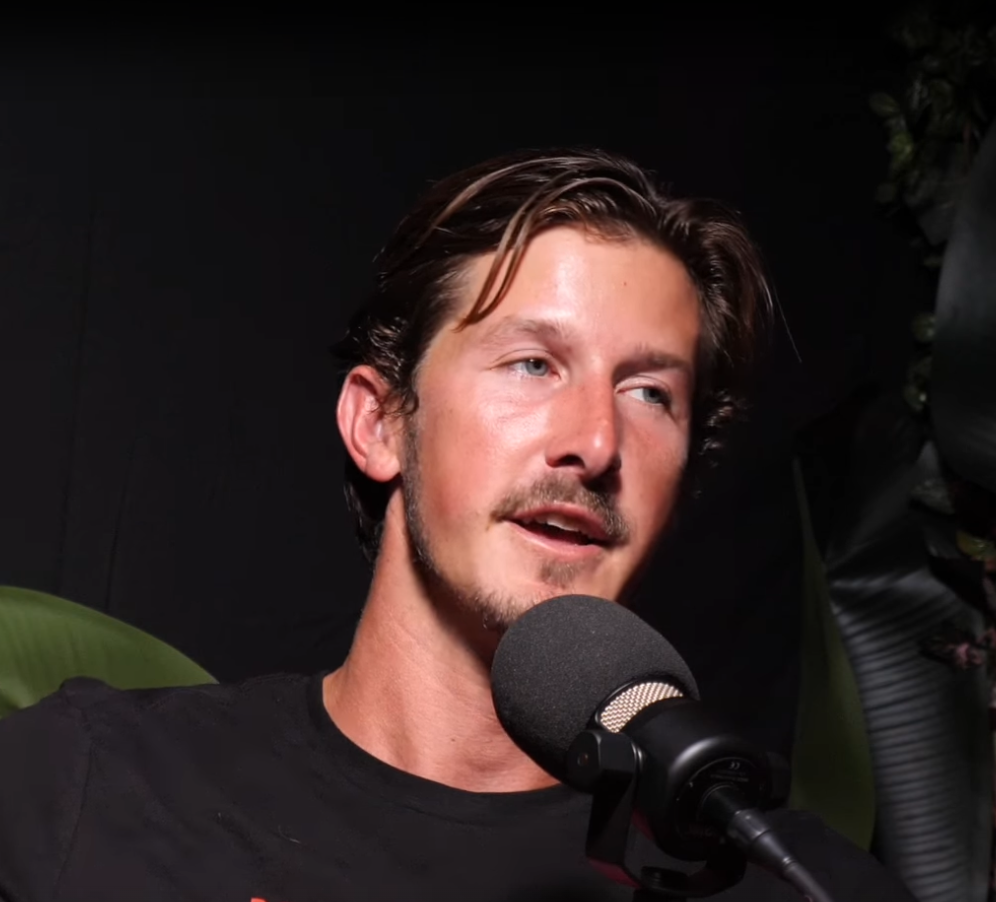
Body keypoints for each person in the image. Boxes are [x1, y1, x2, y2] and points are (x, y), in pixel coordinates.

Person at [0, 148, 914, 901]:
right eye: (531, 364)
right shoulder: (87, 779)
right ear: (380, 422)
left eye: (649, 393)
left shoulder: (790, 881)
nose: (596, 441)